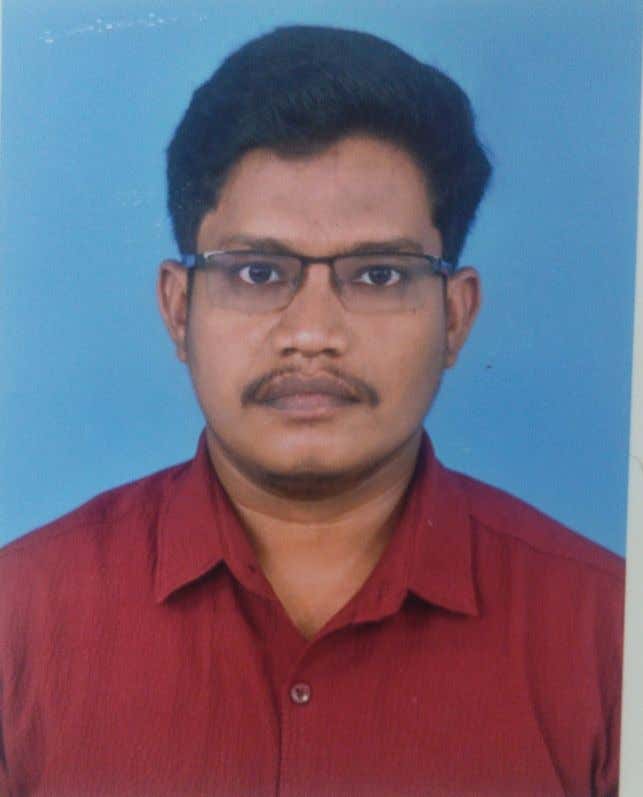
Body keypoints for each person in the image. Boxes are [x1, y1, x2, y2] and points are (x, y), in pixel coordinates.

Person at [0, 24, 623, 797]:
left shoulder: (605, 632)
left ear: (456, 317)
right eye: (257, 272)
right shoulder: (20, 618)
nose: (312, 333)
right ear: (178, 308)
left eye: (380, 275)